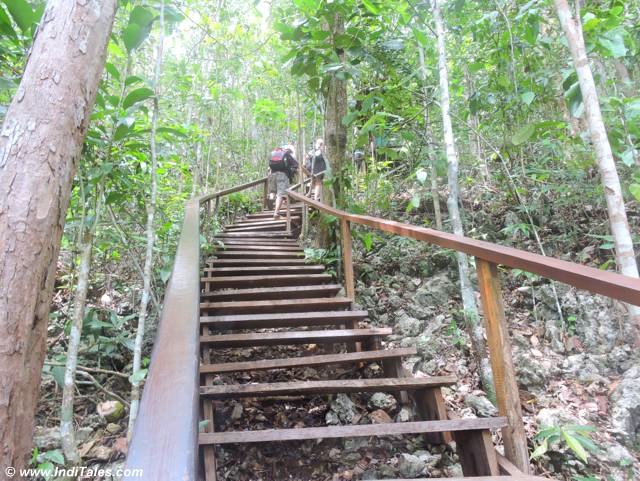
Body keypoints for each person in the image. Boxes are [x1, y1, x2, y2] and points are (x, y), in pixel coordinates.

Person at [269, 144, 298, 219]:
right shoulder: (286, 154)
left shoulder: (273, 153)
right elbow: (296, 164)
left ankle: (270, 207)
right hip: (282, 175)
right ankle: (276, 213)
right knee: (280, 194)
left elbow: (269, 165)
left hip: (272, 174)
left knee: (272, 192)